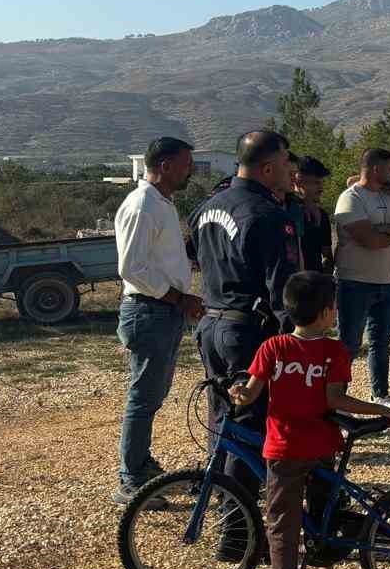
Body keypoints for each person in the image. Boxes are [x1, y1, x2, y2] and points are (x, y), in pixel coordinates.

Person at [228, 272, 390, 569]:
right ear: (325, 313)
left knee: (282, 520)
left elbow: (250, 394)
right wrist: (381, 407)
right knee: (324, 514)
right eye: (335, 307)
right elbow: (335, 399)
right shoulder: (334, 351)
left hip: (283, 448)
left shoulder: (273, 347)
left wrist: (236, 392)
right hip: (322, 444)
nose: (336, 312)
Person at [190, 129, 298, 470]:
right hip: (248, 332)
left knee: (221, 418)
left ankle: (223, 497)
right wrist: (296, 342)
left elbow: (193, 253)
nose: (289, 170)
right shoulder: (267, 215)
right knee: (250, 423)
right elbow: (283, 289)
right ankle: (238, 520)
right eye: (284, 163)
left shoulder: (206, 208)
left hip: (211, 325)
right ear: (267, 169)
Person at [112, 136, 203, 505]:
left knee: (152, 395)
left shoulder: (159, 203)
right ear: (165, 166)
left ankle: (141, 465)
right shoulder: (142, 205)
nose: (189, 171)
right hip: (149, 311)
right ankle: (130, 480)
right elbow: (132, 267)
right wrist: (179, 297)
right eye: (185, 164)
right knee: (143, 397)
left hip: (162, 311)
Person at [332, 148, 390, 413]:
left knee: (380, 343)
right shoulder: (350, 198)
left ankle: (379, 394)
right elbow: (369, 240)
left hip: (385, 282)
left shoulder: (389, 199)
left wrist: (383, 231)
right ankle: (338, 402)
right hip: (354, 282)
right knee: (349, 345)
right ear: (376, 169)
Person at [293, 156, 333, 274]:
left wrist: (326, 276)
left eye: (321, 183)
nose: (321, 188)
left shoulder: (322, 215)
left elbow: (327, 254)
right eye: (316, 183)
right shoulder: (284, 212)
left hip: (315, 284)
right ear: (298, 181)